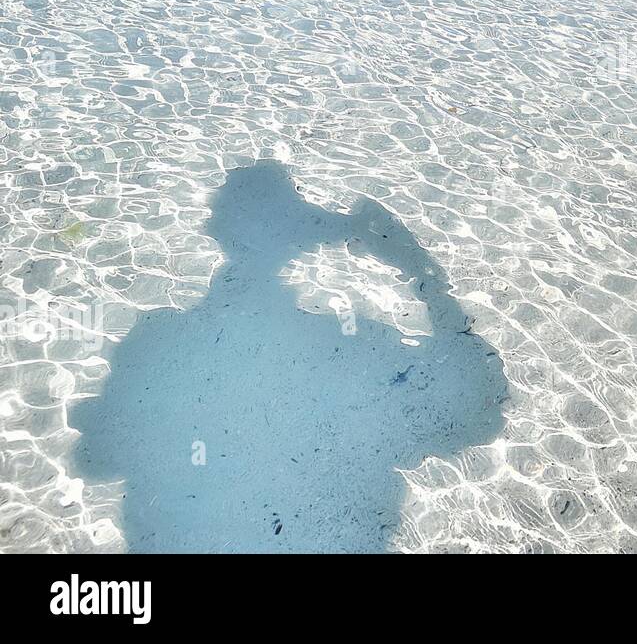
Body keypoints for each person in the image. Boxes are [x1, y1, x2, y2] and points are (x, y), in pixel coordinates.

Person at [71, 160, 507, 553]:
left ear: (214, 230)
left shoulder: (156, 340)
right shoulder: (353, 349)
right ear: (305, 238)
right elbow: (479, 412)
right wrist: (417, 266)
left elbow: (94, 460)